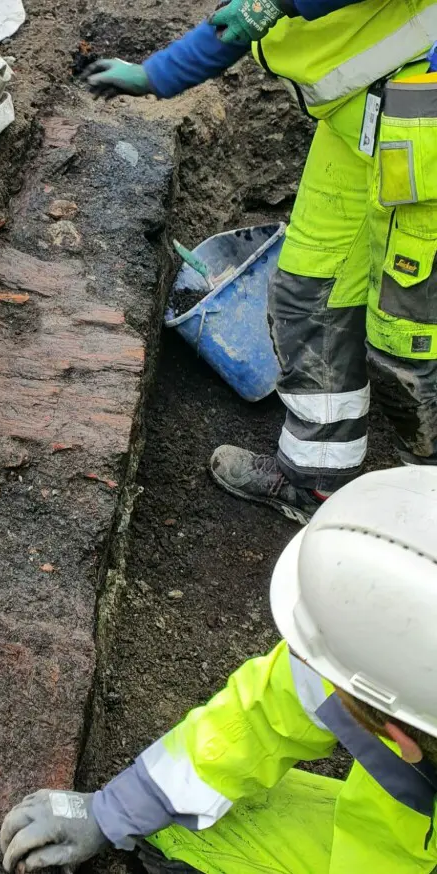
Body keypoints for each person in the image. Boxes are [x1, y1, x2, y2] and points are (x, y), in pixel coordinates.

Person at [82, 0, 437, 523]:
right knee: (308, 294)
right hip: (358, 122)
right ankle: (315, 480)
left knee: (404, 340)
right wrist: (156, 74)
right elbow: (244, 21)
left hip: (423, 131)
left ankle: (422, 498)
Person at [0, 465, 437, 872]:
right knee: (178, 827)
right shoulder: (405, 663)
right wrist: (110, 811)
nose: (304, 662)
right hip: (399, 831)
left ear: (397, 735)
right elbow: (263, 712)